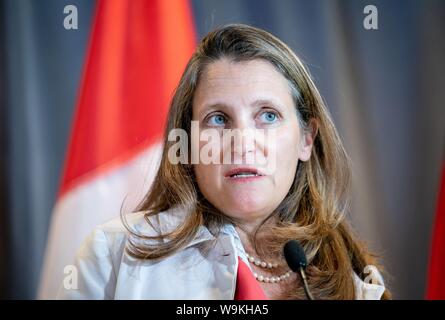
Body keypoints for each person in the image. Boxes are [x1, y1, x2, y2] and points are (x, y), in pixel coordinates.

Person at [57, 24, 390, 300]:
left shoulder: (359, 282)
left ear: (306, 138)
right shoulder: (112, 257)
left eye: (268, 116)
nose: (242, 142)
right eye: (218, 119)